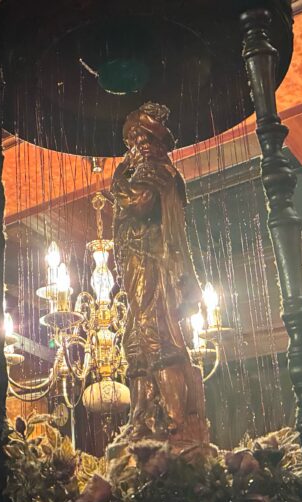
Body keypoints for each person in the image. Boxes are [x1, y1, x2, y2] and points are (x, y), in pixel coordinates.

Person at [110, 102, 208, 447]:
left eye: (144, 139)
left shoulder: (157, 172)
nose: (138, 147)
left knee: (158, 338)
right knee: (135, 343)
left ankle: (176, 423)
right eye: (134, 141)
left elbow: (140, 203)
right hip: (136, 265)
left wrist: (117, 179)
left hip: (153, 263)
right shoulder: (146, 171)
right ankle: (140, 420)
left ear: (157, 142)